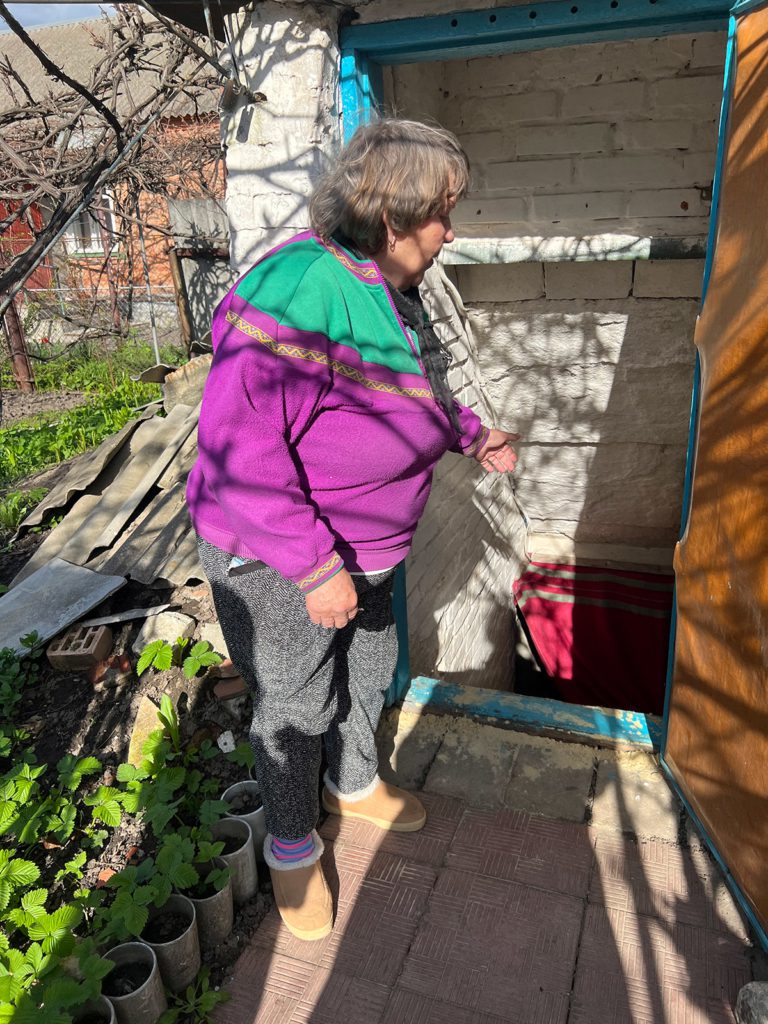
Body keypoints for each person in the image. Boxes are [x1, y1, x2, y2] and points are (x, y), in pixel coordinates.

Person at [186, 118, 518, 941]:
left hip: (366, 551)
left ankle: (357, 781)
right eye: (443, 211)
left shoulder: (385, 290)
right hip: (281, 556)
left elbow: (401, 396)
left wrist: (471, 432)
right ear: (394, 213)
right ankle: (293, 849)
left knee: (368, 666)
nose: (451, 228)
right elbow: (240, 449)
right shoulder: (301, 288)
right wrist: (311, 568)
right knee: (295, 702)